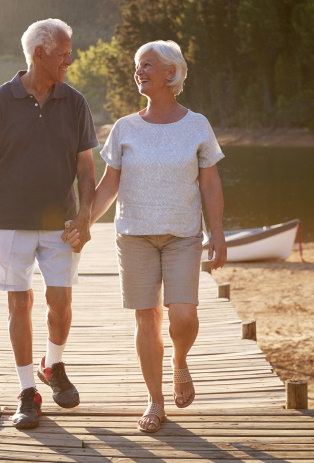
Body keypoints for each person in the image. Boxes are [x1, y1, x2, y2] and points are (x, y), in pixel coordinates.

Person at [66, 40, 227, 433]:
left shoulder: (197, 125)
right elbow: (108, 186)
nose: (139, 71)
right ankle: (155, 401)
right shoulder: (124, 128)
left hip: (183, 235)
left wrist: (218, 233)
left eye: (147, 65)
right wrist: (84, 220)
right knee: (146, 318)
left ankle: (180, 361)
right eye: (137, 65)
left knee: (183, 315)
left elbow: (210, 184)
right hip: (134, 236)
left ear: (171, 73)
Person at [0, 18, 98, 430]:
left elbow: (86, 167)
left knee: (60, 304)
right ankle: (28, 390)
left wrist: (85, 216)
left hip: (60, 222)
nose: (70, 59)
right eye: (64, 53)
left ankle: (52, 364)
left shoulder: (75, 102)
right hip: (6, 220)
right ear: (39, 54)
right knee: (18, 303)